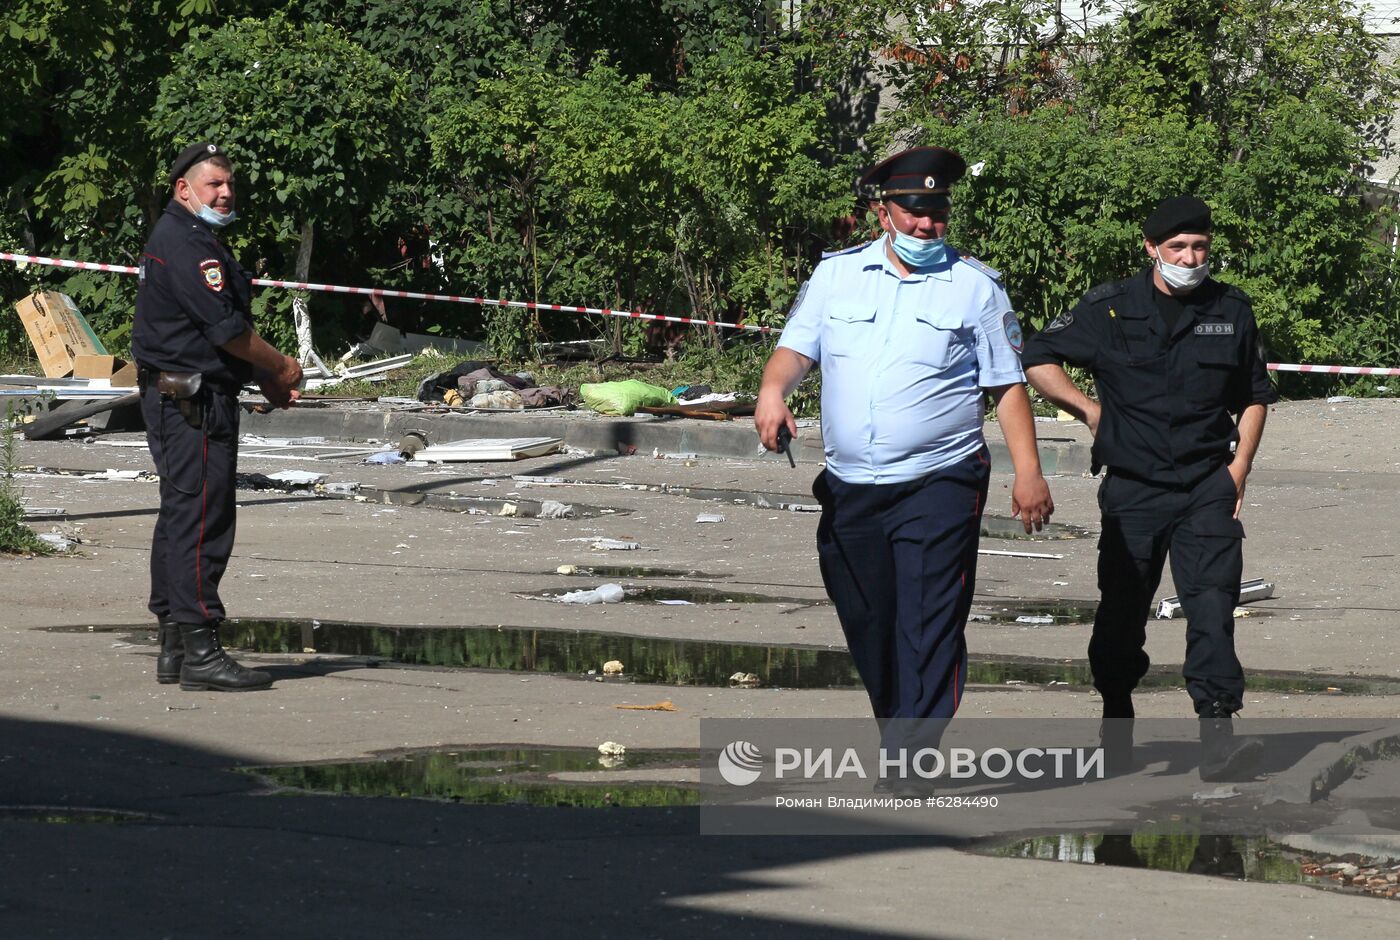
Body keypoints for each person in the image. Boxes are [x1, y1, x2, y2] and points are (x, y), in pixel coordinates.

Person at [753, 146, 1055, 790]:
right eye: (914, 211)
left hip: (939, 479)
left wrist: (1027, 472)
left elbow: (1006, 387)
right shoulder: (836, 276)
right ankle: (898, 728)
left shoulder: (975, 286)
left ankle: (914, 751)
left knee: (928, 616)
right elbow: (794, 349)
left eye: (937, 212)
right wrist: (772, 391)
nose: (926, 225)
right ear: (884, 212)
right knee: (867, 615)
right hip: (850, 485)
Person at [1020, 195, 1276, 780]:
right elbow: (1037, 356)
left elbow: (1256, 395)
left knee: (1212, 605)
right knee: (1123, 611)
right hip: (1133, 489)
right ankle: (1116, 718)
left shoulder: (1230, 308)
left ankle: (1218, 733)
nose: (1191, 257)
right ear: (1151, 249)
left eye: (1200, 247)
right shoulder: (1110, 307)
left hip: (1205, 483)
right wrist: (1087, 409)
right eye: (1179, 247)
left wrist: (1241, 468)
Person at [133, 142, 303, 692]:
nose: (226, 192)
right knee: (203, 522)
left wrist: (263, 380)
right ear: (184, 188)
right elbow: (225, 331)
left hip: (184, 394)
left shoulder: (187, 238)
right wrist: (280, 366)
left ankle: (175, 646)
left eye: (229, 184)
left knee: (180, 517)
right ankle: (201, 649)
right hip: (192, 404)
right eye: (214, 184)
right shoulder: (186, 244)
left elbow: (210, 333)